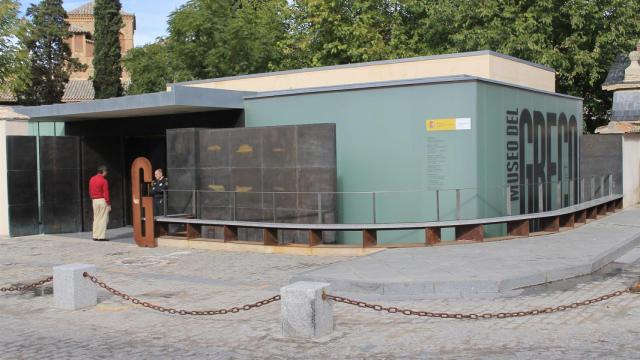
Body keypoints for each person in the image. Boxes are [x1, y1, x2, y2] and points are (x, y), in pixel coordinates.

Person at [89, 165, 111, 241]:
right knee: (103, 218)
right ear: (103, 171)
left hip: (94, 200)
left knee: (96, 218)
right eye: (106, 171)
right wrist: (108, 203)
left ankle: (95, 235)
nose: (107, 173)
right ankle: (101, 236)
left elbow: (90, 190)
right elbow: (106, 193)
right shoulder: (104, 181)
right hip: (102, 200)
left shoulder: (92, 179)